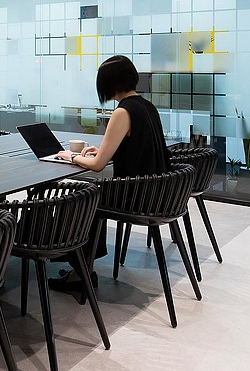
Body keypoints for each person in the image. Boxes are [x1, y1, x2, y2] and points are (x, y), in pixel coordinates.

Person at [50, 55, 170, 297]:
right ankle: (81, 264)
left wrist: (69, 156)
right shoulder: (147, 106)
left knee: (82, 197)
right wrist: (104, 150)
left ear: (108, 84)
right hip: (156, 192)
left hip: (134, 196)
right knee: (90, 194)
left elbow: (96, 166)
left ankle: (79, 268)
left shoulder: (122, 112)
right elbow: (136, 148)